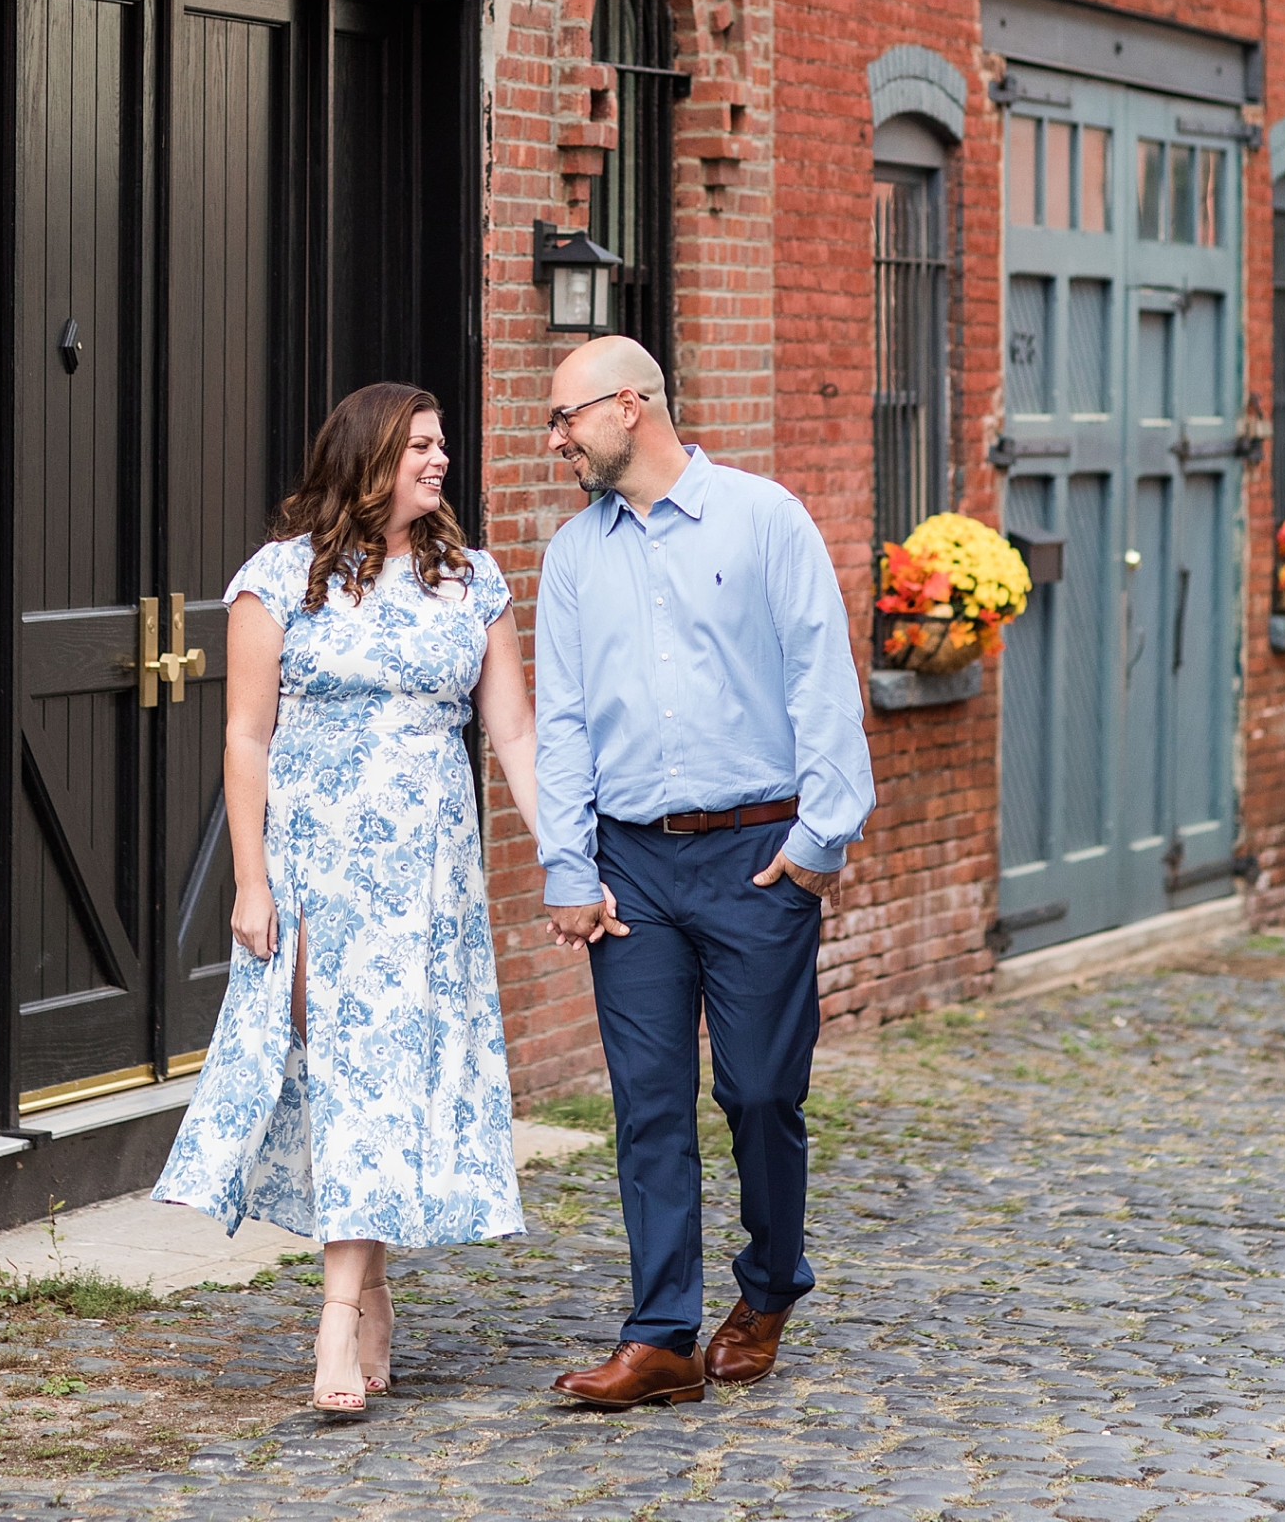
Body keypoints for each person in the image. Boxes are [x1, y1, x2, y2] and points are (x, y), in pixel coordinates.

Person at [154, 382, 538, 1417]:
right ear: (368, 457)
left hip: (432, 877)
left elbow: (513, 733)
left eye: (443, 444)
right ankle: (340, 1313)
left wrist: (564, 853)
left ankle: (365, 1292)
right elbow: (244, 735)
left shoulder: (476, 582)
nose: (440, 459)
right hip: (320, 869)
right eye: (420, 444)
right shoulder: (277, 580)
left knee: (391, 1076)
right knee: (346, 1071)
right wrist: (250, 878)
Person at [534, 337, 875, 1408]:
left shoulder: (764, 518)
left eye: (565, 418)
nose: (554, 441)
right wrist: (567, 862)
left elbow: (822, 671)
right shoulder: (573, 555)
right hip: (632, 866)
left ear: (629, 407)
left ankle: (771, 1283)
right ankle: (662, 1333)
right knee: (646, 1102)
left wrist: (822, 837)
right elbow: (565, 723)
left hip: (755, 853)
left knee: (763, 1091)